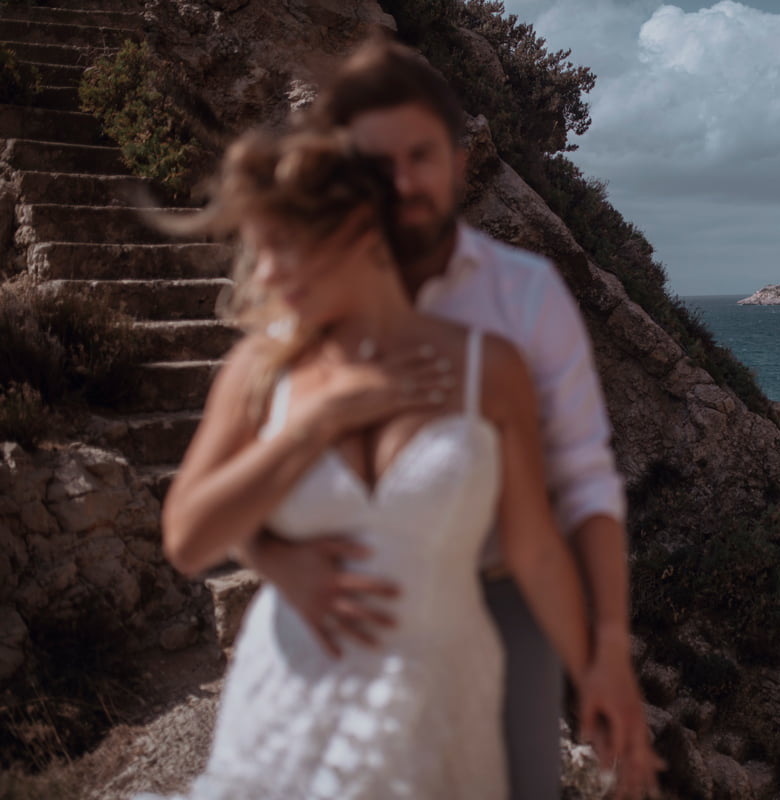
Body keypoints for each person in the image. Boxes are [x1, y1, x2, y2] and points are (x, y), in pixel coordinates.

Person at [238, 37, 661, 799]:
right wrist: (275, 559)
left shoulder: (525, 295)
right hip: (348, 608)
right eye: (378, 163)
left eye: (422, 155)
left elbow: (583, 480)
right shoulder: (303, 303)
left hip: (500, 596)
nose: (403, 182)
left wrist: (605, 652)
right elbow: (241, 470)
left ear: (462, 162)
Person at [144, 126, 594, 798]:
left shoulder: (490, 369)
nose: (262, 275)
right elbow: (187, 540)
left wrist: (600, 676)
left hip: (443, 706)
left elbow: (535, 550)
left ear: (359, 229)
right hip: (288, 700)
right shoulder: (260, 369)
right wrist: (318, 424)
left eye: (280, 247)